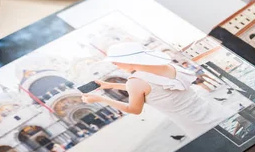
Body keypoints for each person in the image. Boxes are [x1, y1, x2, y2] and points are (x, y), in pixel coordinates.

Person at [81, 42, 233, 138]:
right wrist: (110, 85)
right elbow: (155, 90)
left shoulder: (135, 82)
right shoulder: (169, 66)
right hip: (213, 110)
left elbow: (133, 109)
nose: (116, 66)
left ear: (127, 61)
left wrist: (100, 98)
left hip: (197, 124)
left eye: (116, 62)